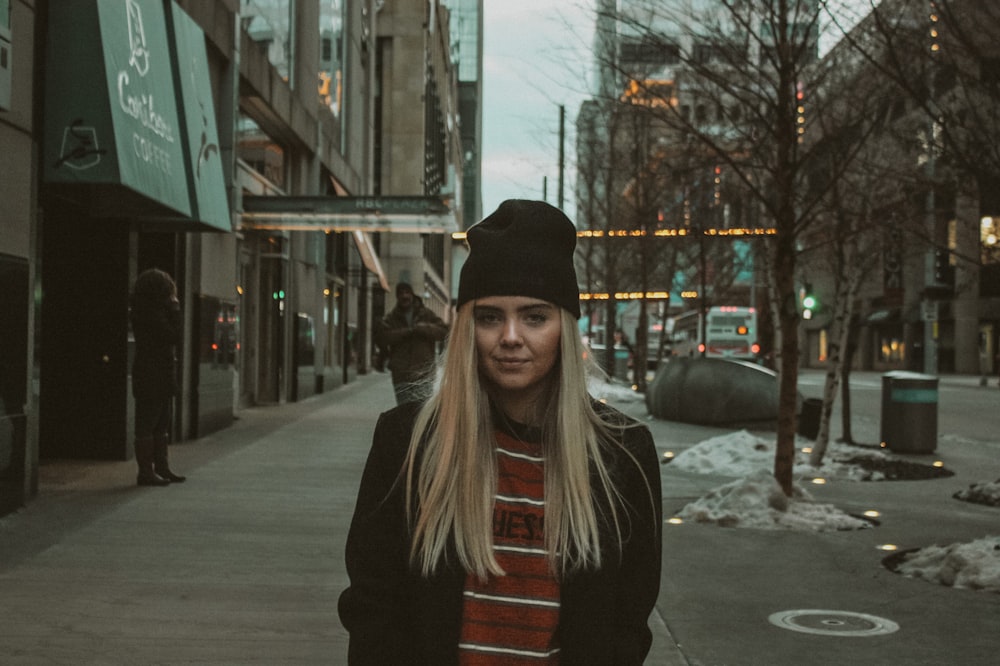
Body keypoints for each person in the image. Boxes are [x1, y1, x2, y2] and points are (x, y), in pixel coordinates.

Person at [339, 200, 662, 664]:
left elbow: (627, 621)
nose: (510, 336)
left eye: (535, 316)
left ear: (564, 330)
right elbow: (373, 606)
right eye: (490, 317)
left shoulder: (621, 454)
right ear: (467, 330)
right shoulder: (408, 441)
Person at [130, 268, 186, 486]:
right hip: (152, 374)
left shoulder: (149, 310)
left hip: (158, 373)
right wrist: (175, 309)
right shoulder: (149, 312)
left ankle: (160, 467)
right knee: (148, 422)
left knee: (162, 422)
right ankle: (146, 471)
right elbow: (173, 336)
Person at [375, 282, 449, 405]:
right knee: (404, 413)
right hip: (401, 376)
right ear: (397, 297)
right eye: (401, 293)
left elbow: (444, 332)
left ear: (412, 295)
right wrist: (407, 332)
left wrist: (423, 328)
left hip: (424, 374)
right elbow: (382, 338)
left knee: (422, 412)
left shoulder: (426, 314)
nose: (404, 296)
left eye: (407, 292)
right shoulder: (391, 318)